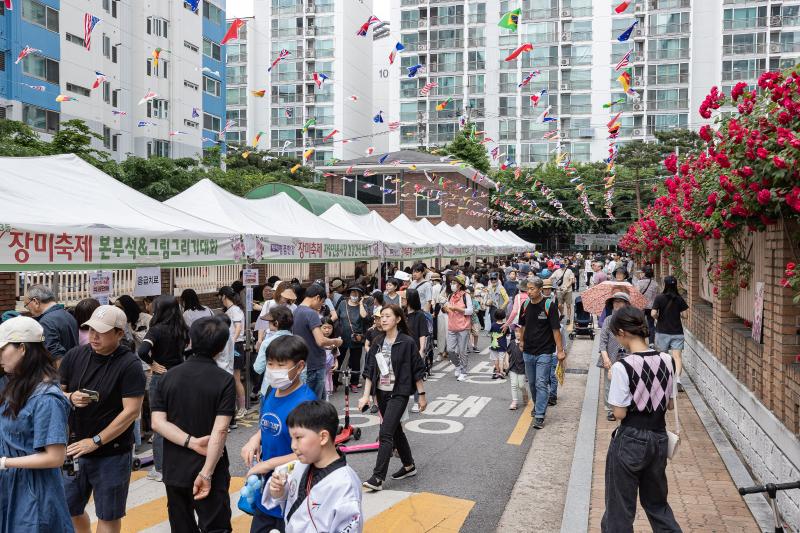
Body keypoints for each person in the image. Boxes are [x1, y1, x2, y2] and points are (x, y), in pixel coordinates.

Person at [59, 305, 146, 533]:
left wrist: (96, 440)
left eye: (102, 331)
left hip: (112, 452)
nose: (94, 336)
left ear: (119, 333)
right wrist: (69, 397)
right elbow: (56, 391)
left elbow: (131, 412)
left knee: (108, 514)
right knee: (69, 508)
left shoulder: (129, 364)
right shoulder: (75, 355)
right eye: (90, 329)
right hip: (75, 449)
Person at [150, 316, 236, 532]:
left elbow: (157, 423)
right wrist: (206, 473)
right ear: (222, 346)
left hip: (175, 465)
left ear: (190, 340)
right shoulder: (224, 380)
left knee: (181, 526)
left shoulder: (169, 377)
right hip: (210, 465)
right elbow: (220, 430)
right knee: (215, 526)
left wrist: (190, 442)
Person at [602, 306, 681, 533]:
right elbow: (670, 404)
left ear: (622, 333)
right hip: (658, 438)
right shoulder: (667, 359)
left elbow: (619, 413)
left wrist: (615, 380)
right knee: (657, 505)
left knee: (620, 509)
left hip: (631, 439)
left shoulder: (622, 367)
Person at [0, 316, 73, 532]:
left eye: (3, 349)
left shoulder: (47, 397)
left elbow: (55, 457)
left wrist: (5, 462)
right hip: (11, 486)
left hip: (34, 491)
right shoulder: (16, 384)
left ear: (22, 348)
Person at [241, 335, 317, 533]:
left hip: (292, 491)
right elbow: (266, 423)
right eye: (270, 364)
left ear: (300, 367)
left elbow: (308, 454)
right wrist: (255, 439)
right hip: (266, 488)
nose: (273, 370)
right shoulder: (272, 391)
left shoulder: (306, 402)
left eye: (281, 365)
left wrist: (267, 464)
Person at [263, 401, 363, 533]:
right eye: (292, 438)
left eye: (298, 437)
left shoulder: (345, 484)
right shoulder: (298, 466)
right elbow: (284, 495)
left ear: (323, 437)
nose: (293, 445)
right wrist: (279, 491)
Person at [358, 305, 427, 491]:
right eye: (382, 317)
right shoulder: (377, 342)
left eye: (388, 316)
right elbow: (369, 371)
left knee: (385, 432)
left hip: (399, 392)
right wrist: (366, 396)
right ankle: (409, 465)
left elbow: (416, 370)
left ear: (398, 319)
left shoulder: (407, 342)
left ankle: (377, 477)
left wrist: (421, 395)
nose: (384, 319)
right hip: (381, 393)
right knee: (395, 430)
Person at [137, 295, 189, 481]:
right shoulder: (182, 329)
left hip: (161, 377)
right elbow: (188, 351)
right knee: (178, 420)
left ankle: (159, 468)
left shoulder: (156, 330)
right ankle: (178, 462)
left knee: (159, 424)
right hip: (180, 376)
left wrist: (152, 364)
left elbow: (142, 351)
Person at [517, 277, 565, 429]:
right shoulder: (525, 305)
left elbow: (555, 329)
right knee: (532, 383)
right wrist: (522, 341)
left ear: (540, 289)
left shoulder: (549, 305)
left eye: (531, 289)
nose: (529, 292)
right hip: (528, 351)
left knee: (541, 382)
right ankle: (538, 405)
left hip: (545, 351)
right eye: (527, 289)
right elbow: (522, 325)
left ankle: (539, 415)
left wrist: (560, 350)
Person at [292, 284, 343, 400]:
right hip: (314, 364)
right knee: (316, 404)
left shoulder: (296, 311)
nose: (321, 306)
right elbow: (320, 341)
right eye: (322, 302)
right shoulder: (311, 313)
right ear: (317, 298)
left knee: (306, 401)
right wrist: (336, 341)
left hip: (302, 364)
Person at [597, 293, 632, 421]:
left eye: (620, 301)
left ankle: (627, 406)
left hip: (629, 357)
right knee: (609, 384)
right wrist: (605, 358)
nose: (616, 303)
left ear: (627, 304)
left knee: (628, 383)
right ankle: (611, 409)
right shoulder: (608, 320)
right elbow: (602, 342)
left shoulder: (631, 321)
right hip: (611, 357)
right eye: (615, 301)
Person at [651, 276, 689, 392]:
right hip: (677, 332)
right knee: (677, 357)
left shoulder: (659, 298)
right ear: (675, 285)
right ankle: (677, 380)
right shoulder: (679, 299)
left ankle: (664, 379)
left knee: (663, 356)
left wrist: (658, 317)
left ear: (665, 285)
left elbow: (653, 313)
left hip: (662, 331)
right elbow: (685, 316)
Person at [23, 284, 78, 363]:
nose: (28, 310)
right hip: (74, 367)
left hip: (60, 372)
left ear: (35, 302)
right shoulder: (68, 315)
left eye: (27, 306)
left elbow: (56, 356)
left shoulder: (46, 322)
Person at [219, 287, 247, 419]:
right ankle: (236, 407)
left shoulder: (235, 310)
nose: (220, 299)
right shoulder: (232, 310)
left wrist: (232, 342)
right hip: (233, 346)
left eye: (220, 296)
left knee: (235, 378)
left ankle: (242, 407)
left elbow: (238, 328)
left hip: (235, 346)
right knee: (232, 378)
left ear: (224, 296)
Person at [254, 305, 294, 397]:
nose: (268, 323)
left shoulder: (267, 343)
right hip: (292, 388)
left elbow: (258, 368)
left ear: (276, 323)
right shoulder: (297, 341)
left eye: (269, 322)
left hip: (270, 388)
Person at [335, 285, 368, 394]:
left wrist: (361, 303)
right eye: (353, 293)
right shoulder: (342, 304)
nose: (354, 295)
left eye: (357, 293)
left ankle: (354, 383)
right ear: (349, 294)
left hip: (356, 338)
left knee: (355, 362)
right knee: (338, 360)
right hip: (342, 337)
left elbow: (364, 316)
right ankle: (334, 382)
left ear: (360, 295)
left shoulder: (363, 306)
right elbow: (337, 317)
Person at [443, 274, 473, 382]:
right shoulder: (450, 296)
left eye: (454, 283)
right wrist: (446, 309)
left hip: (463, 327)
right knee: (450, 350)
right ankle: (458, 365)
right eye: (451, 283)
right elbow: (448, 308)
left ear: (460, 285)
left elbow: (470, 311)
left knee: (462, 351)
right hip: (452, 326)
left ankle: (463, 372)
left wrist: (456, 308)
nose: (452, 285)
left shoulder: (466, 296)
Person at [404, 288, 429, 414]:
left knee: (416, 376)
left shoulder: (419, 315)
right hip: (402, 349)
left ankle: (416, 401)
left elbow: (422, 334)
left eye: (405, 297)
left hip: (415, 350)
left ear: (410, 299)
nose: (402, 298)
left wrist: (421, 350)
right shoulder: (401, 313)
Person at [637, 267, 660, 346]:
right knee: (651, 324)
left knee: (640, 324)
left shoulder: (639, 283)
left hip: (641, 307)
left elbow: (637, 295)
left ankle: (641, 341)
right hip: (652, 307)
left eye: (641, 272)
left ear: (644, 273)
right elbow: (657, 295)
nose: (640, 274)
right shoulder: (655, 283)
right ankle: (651, 342)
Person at [505, 327, 527, 410]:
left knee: (521, 385)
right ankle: (515, 401)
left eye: (520, 332)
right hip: (513, 367)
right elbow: (507, 353)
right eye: (516, 331)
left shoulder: (525, 344)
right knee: (514, 384)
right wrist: (506, 362)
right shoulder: (512, 343)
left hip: (522, 367)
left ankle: (524, 393)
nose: (517, 333)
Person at [319, 317, 339, 401]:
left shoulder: (333, 342)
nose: (327, 330)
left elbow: (335, 357)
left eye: (329, 328)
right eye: (324, 328)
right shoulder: (318, 342)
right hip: (320, 372)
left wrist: (336, 365)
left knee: (326, 394)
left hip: (328, 373)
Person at [489, 309, 508, 379]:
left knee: (495, 359)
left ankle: (497, 372)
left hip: (494, 344)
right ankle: (502, 372)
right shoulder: (505, 326)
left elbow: (491, 332)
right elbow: (507, 334)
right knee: (501, 359)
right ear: (504, 316)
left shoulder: (493, 325)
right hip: (502, 345)